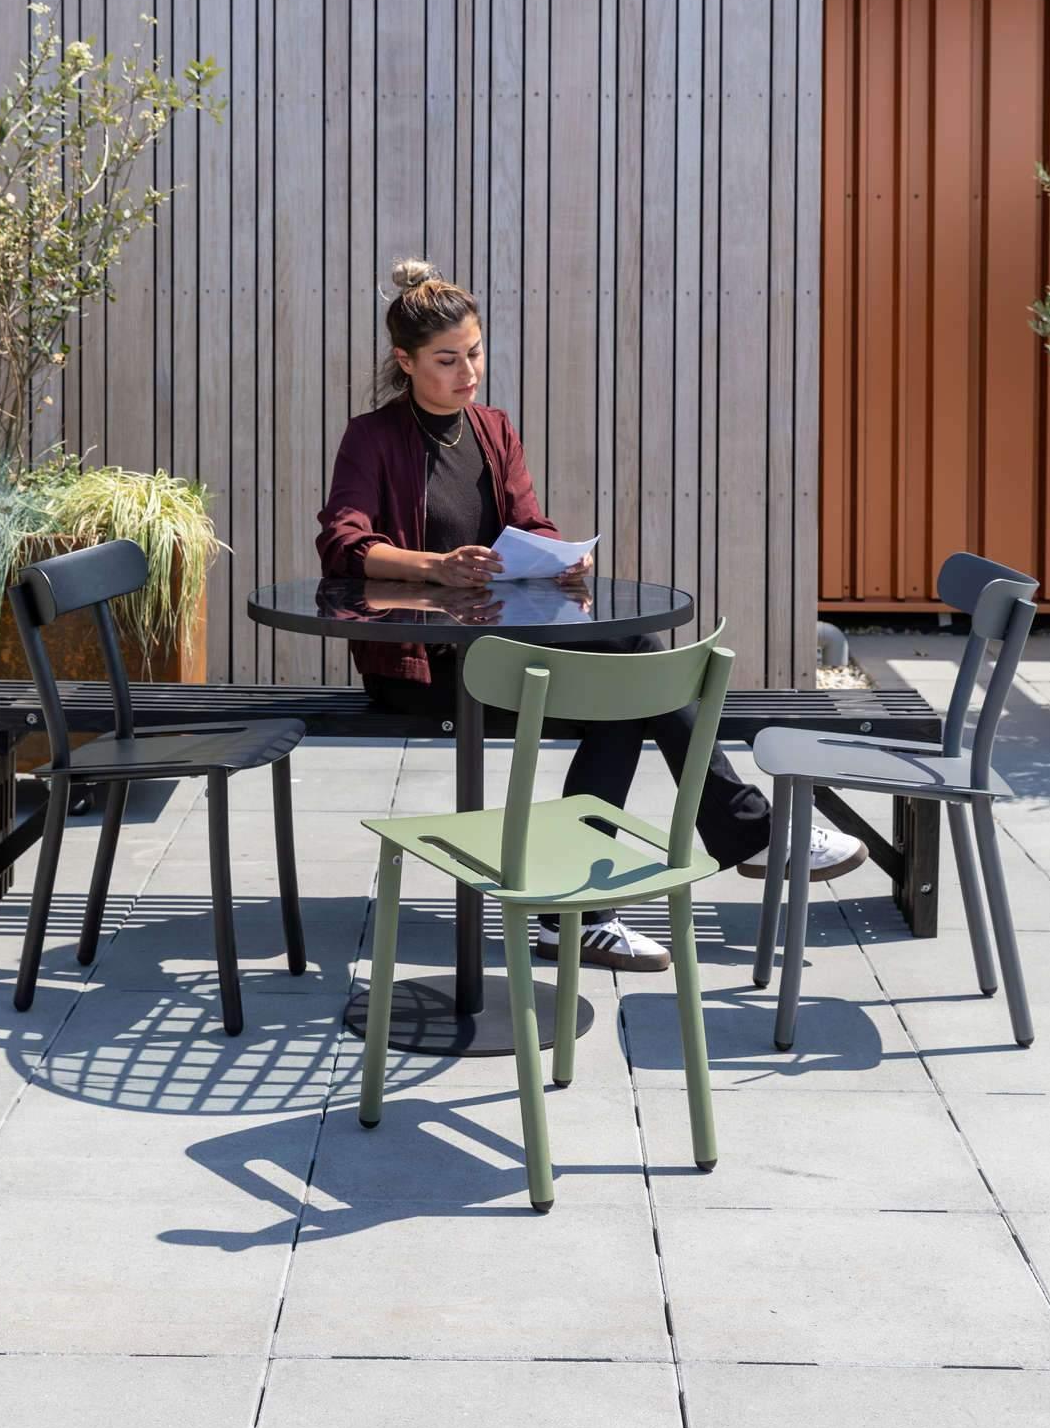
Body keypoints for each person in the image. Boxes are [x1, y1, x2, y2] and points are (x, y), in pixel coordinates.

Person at [316, 260, 865, 973]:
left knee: (627, 688)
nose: (468, 372)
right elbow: (344, 543)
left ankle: (581, 915)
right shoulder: (373, 437)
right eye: (447, 360)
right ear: (406, 361)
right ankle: (727, 846)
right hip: (423, 667)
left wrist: (559, 558)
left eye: (474, 353)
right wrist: (435, 565)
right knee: (634, 667)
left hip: (509, 652)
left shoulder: (492, 429)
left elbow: (529, 523)